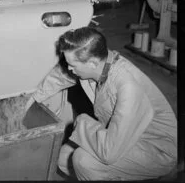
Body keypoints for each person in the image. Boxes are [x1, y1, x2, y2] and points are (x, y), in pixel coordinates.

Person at [26, 27, 177, 181]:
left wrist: (81, 122)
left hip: (155, 148)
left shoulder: (128, 86)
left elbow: (109, 152)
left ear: (91, 63)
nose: (69, 68)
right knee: (64, 158)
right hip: (123, 136)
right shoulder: (99, 62)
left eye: (73, 65)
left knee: (83, 160)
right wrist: (27, 104)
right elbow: (58, 77)